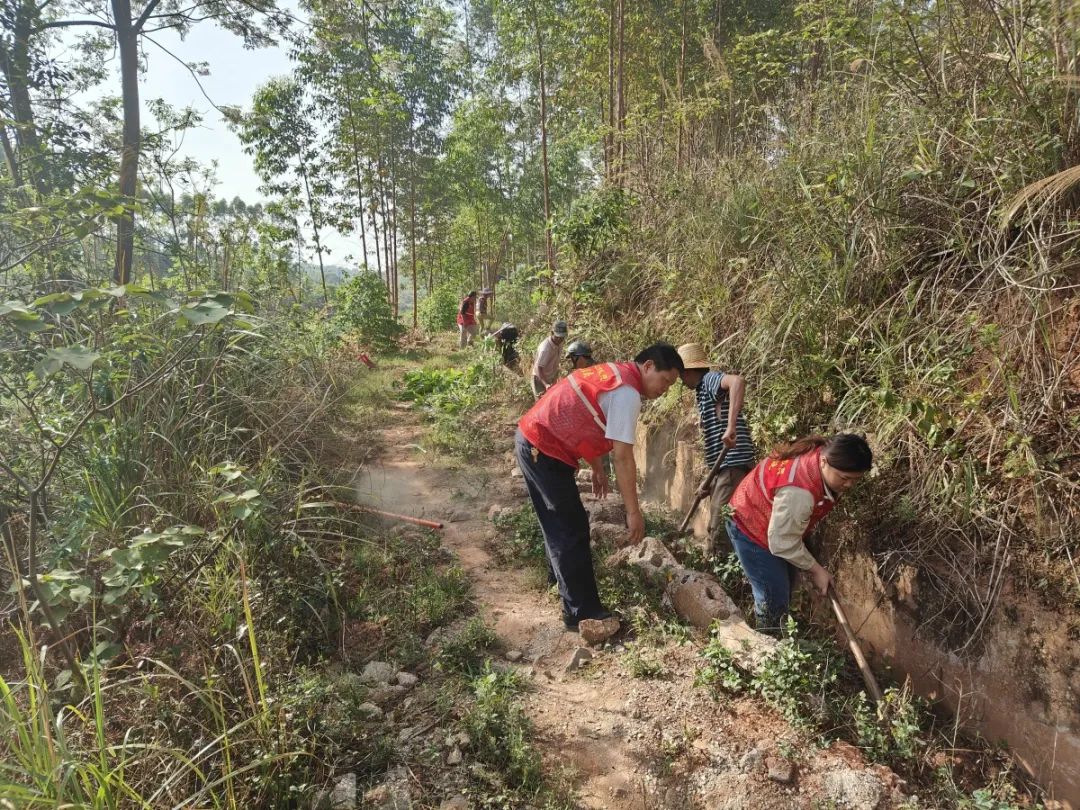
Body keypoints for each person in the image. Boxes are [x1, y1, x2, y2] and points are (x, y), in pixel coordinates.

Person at [515, 343, 685, 637]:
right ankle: (581, 612)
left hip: (536, 440)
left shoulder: (614, 375)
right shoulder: (627, 393)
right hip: (542, 447)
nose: (665, 390)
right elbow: (622, 456)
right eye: (666, 380)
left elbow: (583, 414)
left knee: (561, 523)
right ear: (647, 367)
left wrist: (595, 467)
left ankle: (558, 581)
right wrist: (634, 512)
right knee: (570, 528)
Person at [726, 433, 873, 635]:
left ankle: (777, 638)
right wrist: (816, 570)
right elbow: (781, 542)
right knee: (773, 598)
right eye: (844, 478)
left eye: (855, 480)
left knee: (782, 589)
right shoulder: (799, 492)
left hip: (771, 522)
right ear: (823, 461)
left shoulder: (820, 453)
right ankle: (770, 653)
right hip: (749, 525)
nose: (849, 485)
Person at [677, 343, 757, 556]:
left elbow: (737, 381)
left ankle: (717, 572)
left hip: (732, 462)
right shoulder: (701, 391)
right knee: (726, 521)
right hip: (724, 467)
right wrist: (709, 483)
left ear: (687, 371)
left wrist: (731, 426)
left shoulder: (709, 380)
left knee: (718, 525)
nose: (679, 380)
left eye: (679, 374)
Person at [531, 320, 568, 398]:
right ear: (552, 333)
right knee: (542, 404)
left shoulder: (560, 343)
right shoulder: (545, 349)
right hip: (539, 380)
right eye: (557, 337)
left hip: (550, 377)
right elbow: (538, 368)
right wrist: (545, 384)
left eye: (562, 338)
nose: (559, 340)